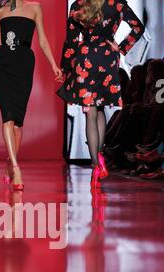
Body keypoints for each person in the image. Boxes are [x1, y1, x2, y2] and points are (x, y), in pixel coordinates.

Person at [57, 0, 144, 188]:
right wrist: (121, 48)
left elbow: (71, 42)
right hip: (106, 59)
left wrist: (65, 69)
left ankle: (96, 164)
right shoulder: (117, 3)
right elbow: (138, 27)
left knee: (90, 112)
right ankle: (100, 155)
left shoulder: (78, 5)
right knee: (100, 109)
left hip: (86, 58)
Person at [0, 0, 63, 191]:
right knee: (7, 117)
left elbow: (43, 40)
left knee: (18, 124)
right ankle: (16, 169)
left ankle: (9, 164)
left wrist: (54, 65)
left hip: (23, 65)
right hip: (1, 66)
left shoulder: (35, 8)